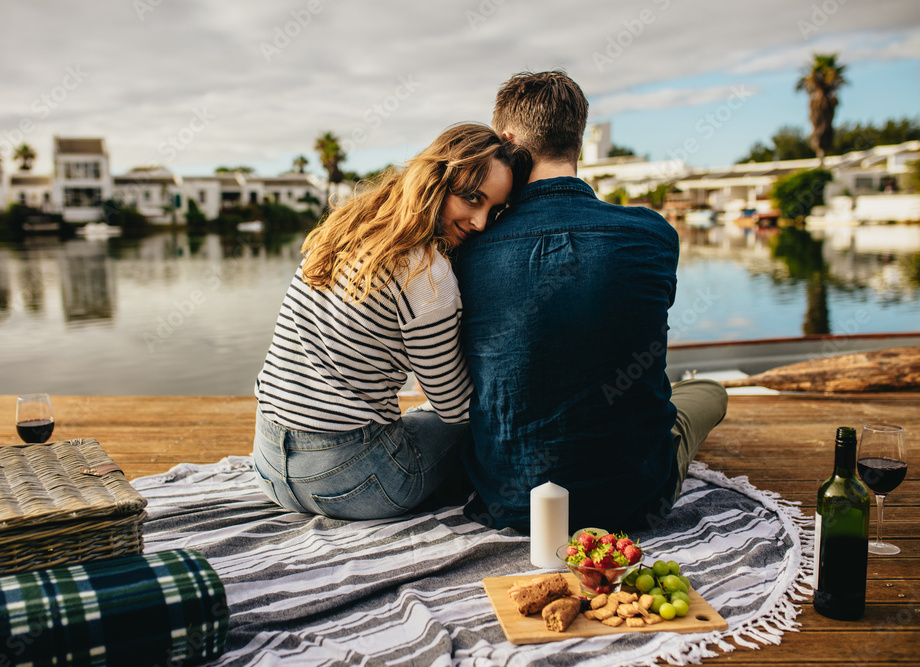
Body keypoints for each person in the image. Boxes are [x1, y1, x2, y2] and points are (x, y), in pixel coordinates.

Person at [454, 71, 728, 533]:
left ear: (507, 141)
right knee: (710, 392)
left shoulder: (468, 247)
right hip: (634, 499)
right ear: (577, 141)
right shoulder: (654, 233)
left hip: (508, 499)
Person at [253, 123, 530, 520]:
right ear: (436, 181)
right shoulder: (427, 275)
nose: (481, 222)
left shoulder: (349, 227)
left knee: (418, 416)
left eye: (493, 210)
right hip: (355, 483)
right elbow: (455, 407)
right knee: (472, 425)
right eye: (472, 199)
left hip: (268, 465)